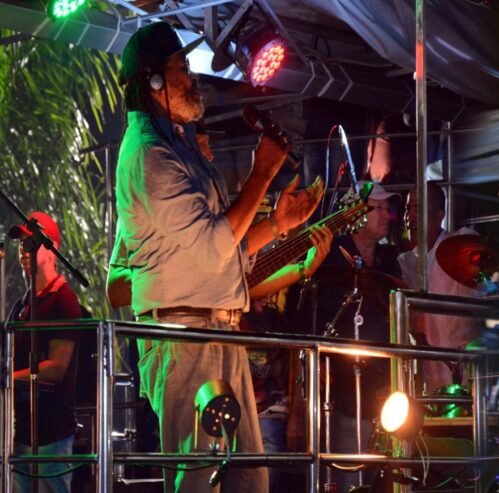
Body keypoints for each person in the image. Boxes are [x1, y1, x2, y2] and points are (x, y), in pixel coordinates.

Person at [108, 22, 323, 493]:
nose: (192, 77)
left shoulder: (177, 145)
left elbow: (224, 248)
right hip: (184, 336)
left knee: (248, 479)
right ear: (154, 81)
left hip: (214, 329)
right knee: (199, 477)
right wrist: (261, 175)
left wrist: (276, 225)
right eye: (181, 67)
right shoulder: (148, 155)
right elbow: (212, 247)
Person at [287, 181, 403, 492]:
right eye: (378, 208)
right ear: (355, 214)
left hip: (383, 391)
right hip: (337, 391)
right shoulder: (328, 257)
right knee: (345, 475)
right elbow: (302, 330)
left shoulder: (389, 261)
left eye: (388, 208)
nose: (387, 214)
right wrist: (298, 408)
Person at [8, 211, 84, 493]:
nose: (23, 250)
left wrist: (8, 378)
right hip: (21, 431)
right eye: (21, 244)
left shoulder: (63, 300)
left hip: (51, 432)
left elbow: (56, 368)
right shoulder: (23, 304)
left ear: (52, 250)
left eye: (31, 243)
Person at [398, 183, 481, 392]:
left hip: (462, 369)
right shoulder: (404, 262)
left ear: (439, 215)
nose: (410, 217)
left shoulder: (459, 244)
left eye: (418, 208)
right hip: (422, 375)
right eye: (408, 209)